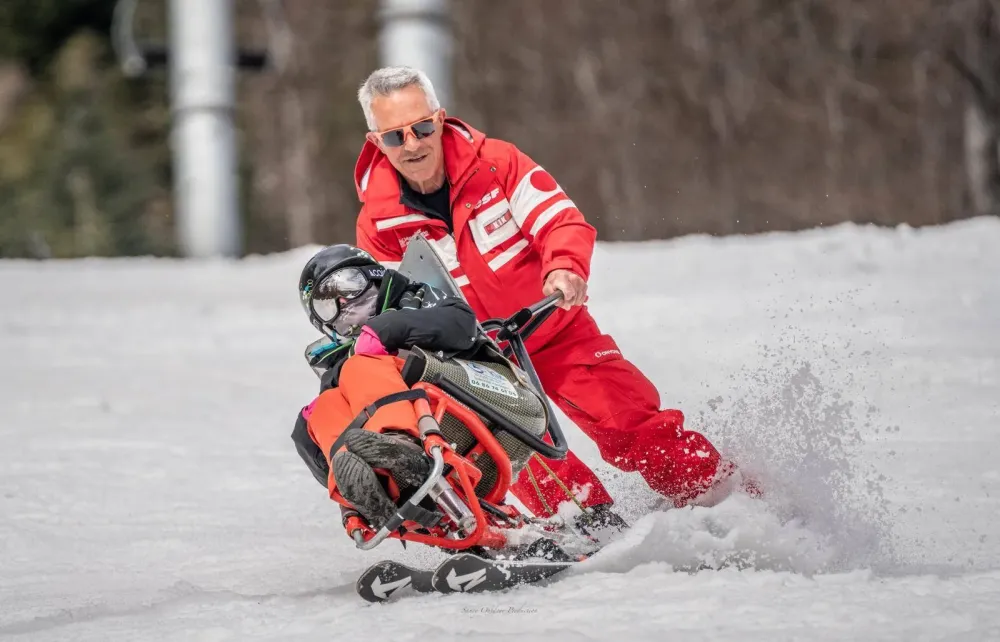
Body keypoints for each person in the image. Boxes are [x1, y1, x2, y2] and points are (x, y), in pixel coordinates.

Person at [349, 66, 755, 524]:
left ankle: (720, 496)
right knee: (520, 449)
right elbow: (393, 305)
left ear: (440, 119)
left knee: (626, 419)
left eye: (422, 128)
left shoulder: (497, 163)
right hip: (479, 360)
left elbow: (559, 220)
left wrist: (564, 267)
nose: (413, 145)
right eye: (395, 136)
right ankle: (589, 527)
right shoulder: (378, 222)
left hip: (553, 326)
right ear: (375, 142)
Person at [290, 243, 482, 530]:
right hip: (405, 421)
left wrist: (387, 328)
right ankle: (363, 483)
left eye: (347, 285)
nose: (342, 302)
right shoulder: (341, 359)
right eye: (326, 304)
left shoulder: (413, 299)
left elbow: (462, 324)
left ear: (373, 276)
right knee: (324, 408)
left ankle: (400, 443)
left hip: (454, 394)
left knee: (358, 367)